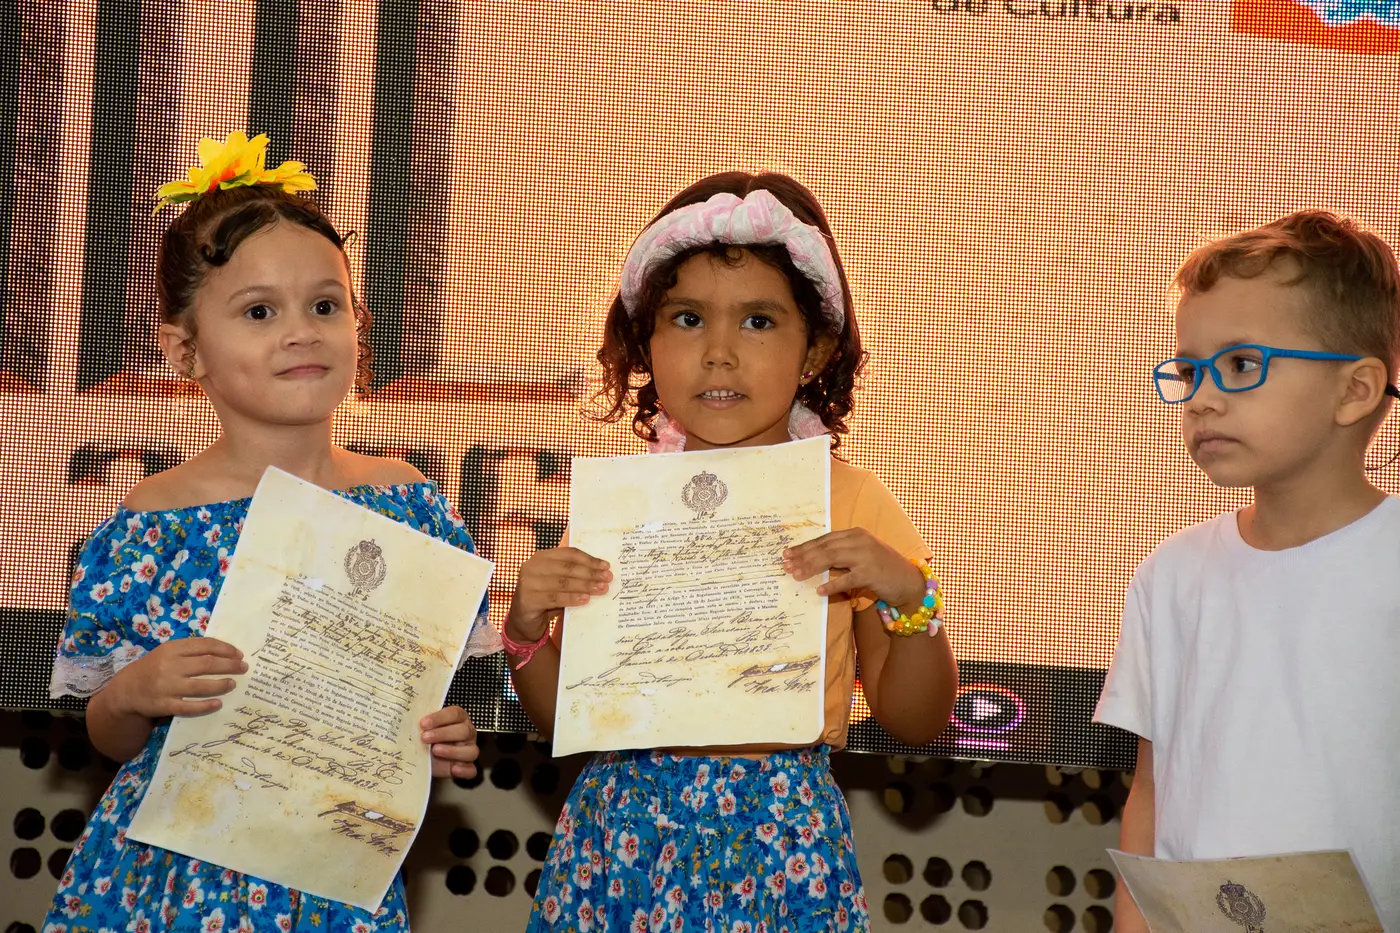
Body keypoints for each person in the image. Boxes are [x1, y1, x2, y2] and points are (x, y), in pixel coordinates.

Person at [41, 132, 498, 933]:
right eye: (260, 311)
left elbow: (411, 707)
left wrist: (438, 737)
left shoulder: (408, 504)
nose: (301, 331)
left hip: (335, 882)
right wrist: (134, 691)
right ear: (184, 349)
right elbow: (109, 734)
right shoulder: (154, 521)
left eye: (325, 305)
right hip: (174, 885)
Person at [506, 172, 959, 932]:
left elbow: (915, 720)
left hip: (782, 847)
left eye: (757, 321)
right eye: (687, 319)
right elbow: (567, 721)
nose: (719, 353)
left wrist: (909, 597)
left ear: (815, 350)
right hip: (619, 840)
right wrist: (526, 629)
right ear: (646, 344)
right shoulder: (621, 510)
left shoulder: (851, 502)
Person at [1095, 210, 1400, 931]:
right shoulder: (1171, 576)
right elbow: (1152, 792)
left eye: (1239, 365)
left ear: (1356, 390)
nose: (1201, 397)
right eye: (1188, 370)